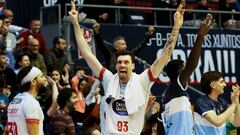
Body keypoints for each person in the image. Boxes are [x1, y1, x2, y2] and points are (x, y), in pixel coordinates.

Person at [69, 1, 184, 134]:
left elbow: (165, 55)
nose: (122, 65)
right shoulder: (109, 79)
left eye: (126, 62)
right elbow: (87, 53)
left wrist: (176, 28)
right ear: (116, 65)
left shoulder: (143, 80)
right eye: (119, 62)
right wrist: (76, 24)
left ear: (133, 66)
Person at [160, 14, 215, 135]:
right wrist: (200, 36)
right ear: (180, 72)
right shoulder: (176, 86)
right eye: (184, 70)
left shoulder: (170, 93)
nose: (189, 73)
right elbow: (191, 65)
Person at [7, 66, 46, 135]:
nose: (45, 79)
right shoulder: (31, 102)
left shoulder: (13, 101)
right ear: (33, 82)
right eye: (41, 76)